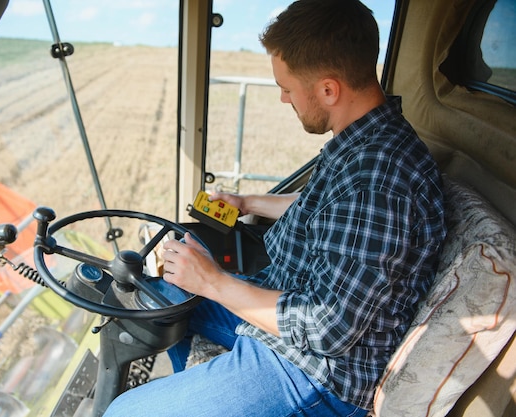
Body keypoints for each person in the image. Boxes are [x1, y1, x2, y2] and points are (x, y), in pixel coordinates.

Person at [104, 0, 446, 415]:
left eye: (287, 87)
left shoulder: (380, 178)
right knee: (161, 299)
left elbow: (329, 328)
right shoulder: (365, 141)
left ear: (328, 89)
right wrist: (247, 202)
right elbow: (324, 208)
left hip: (314, 371)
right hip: (281, 302)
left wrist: (212, 281)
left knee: (123, 412)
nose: (284, 99)